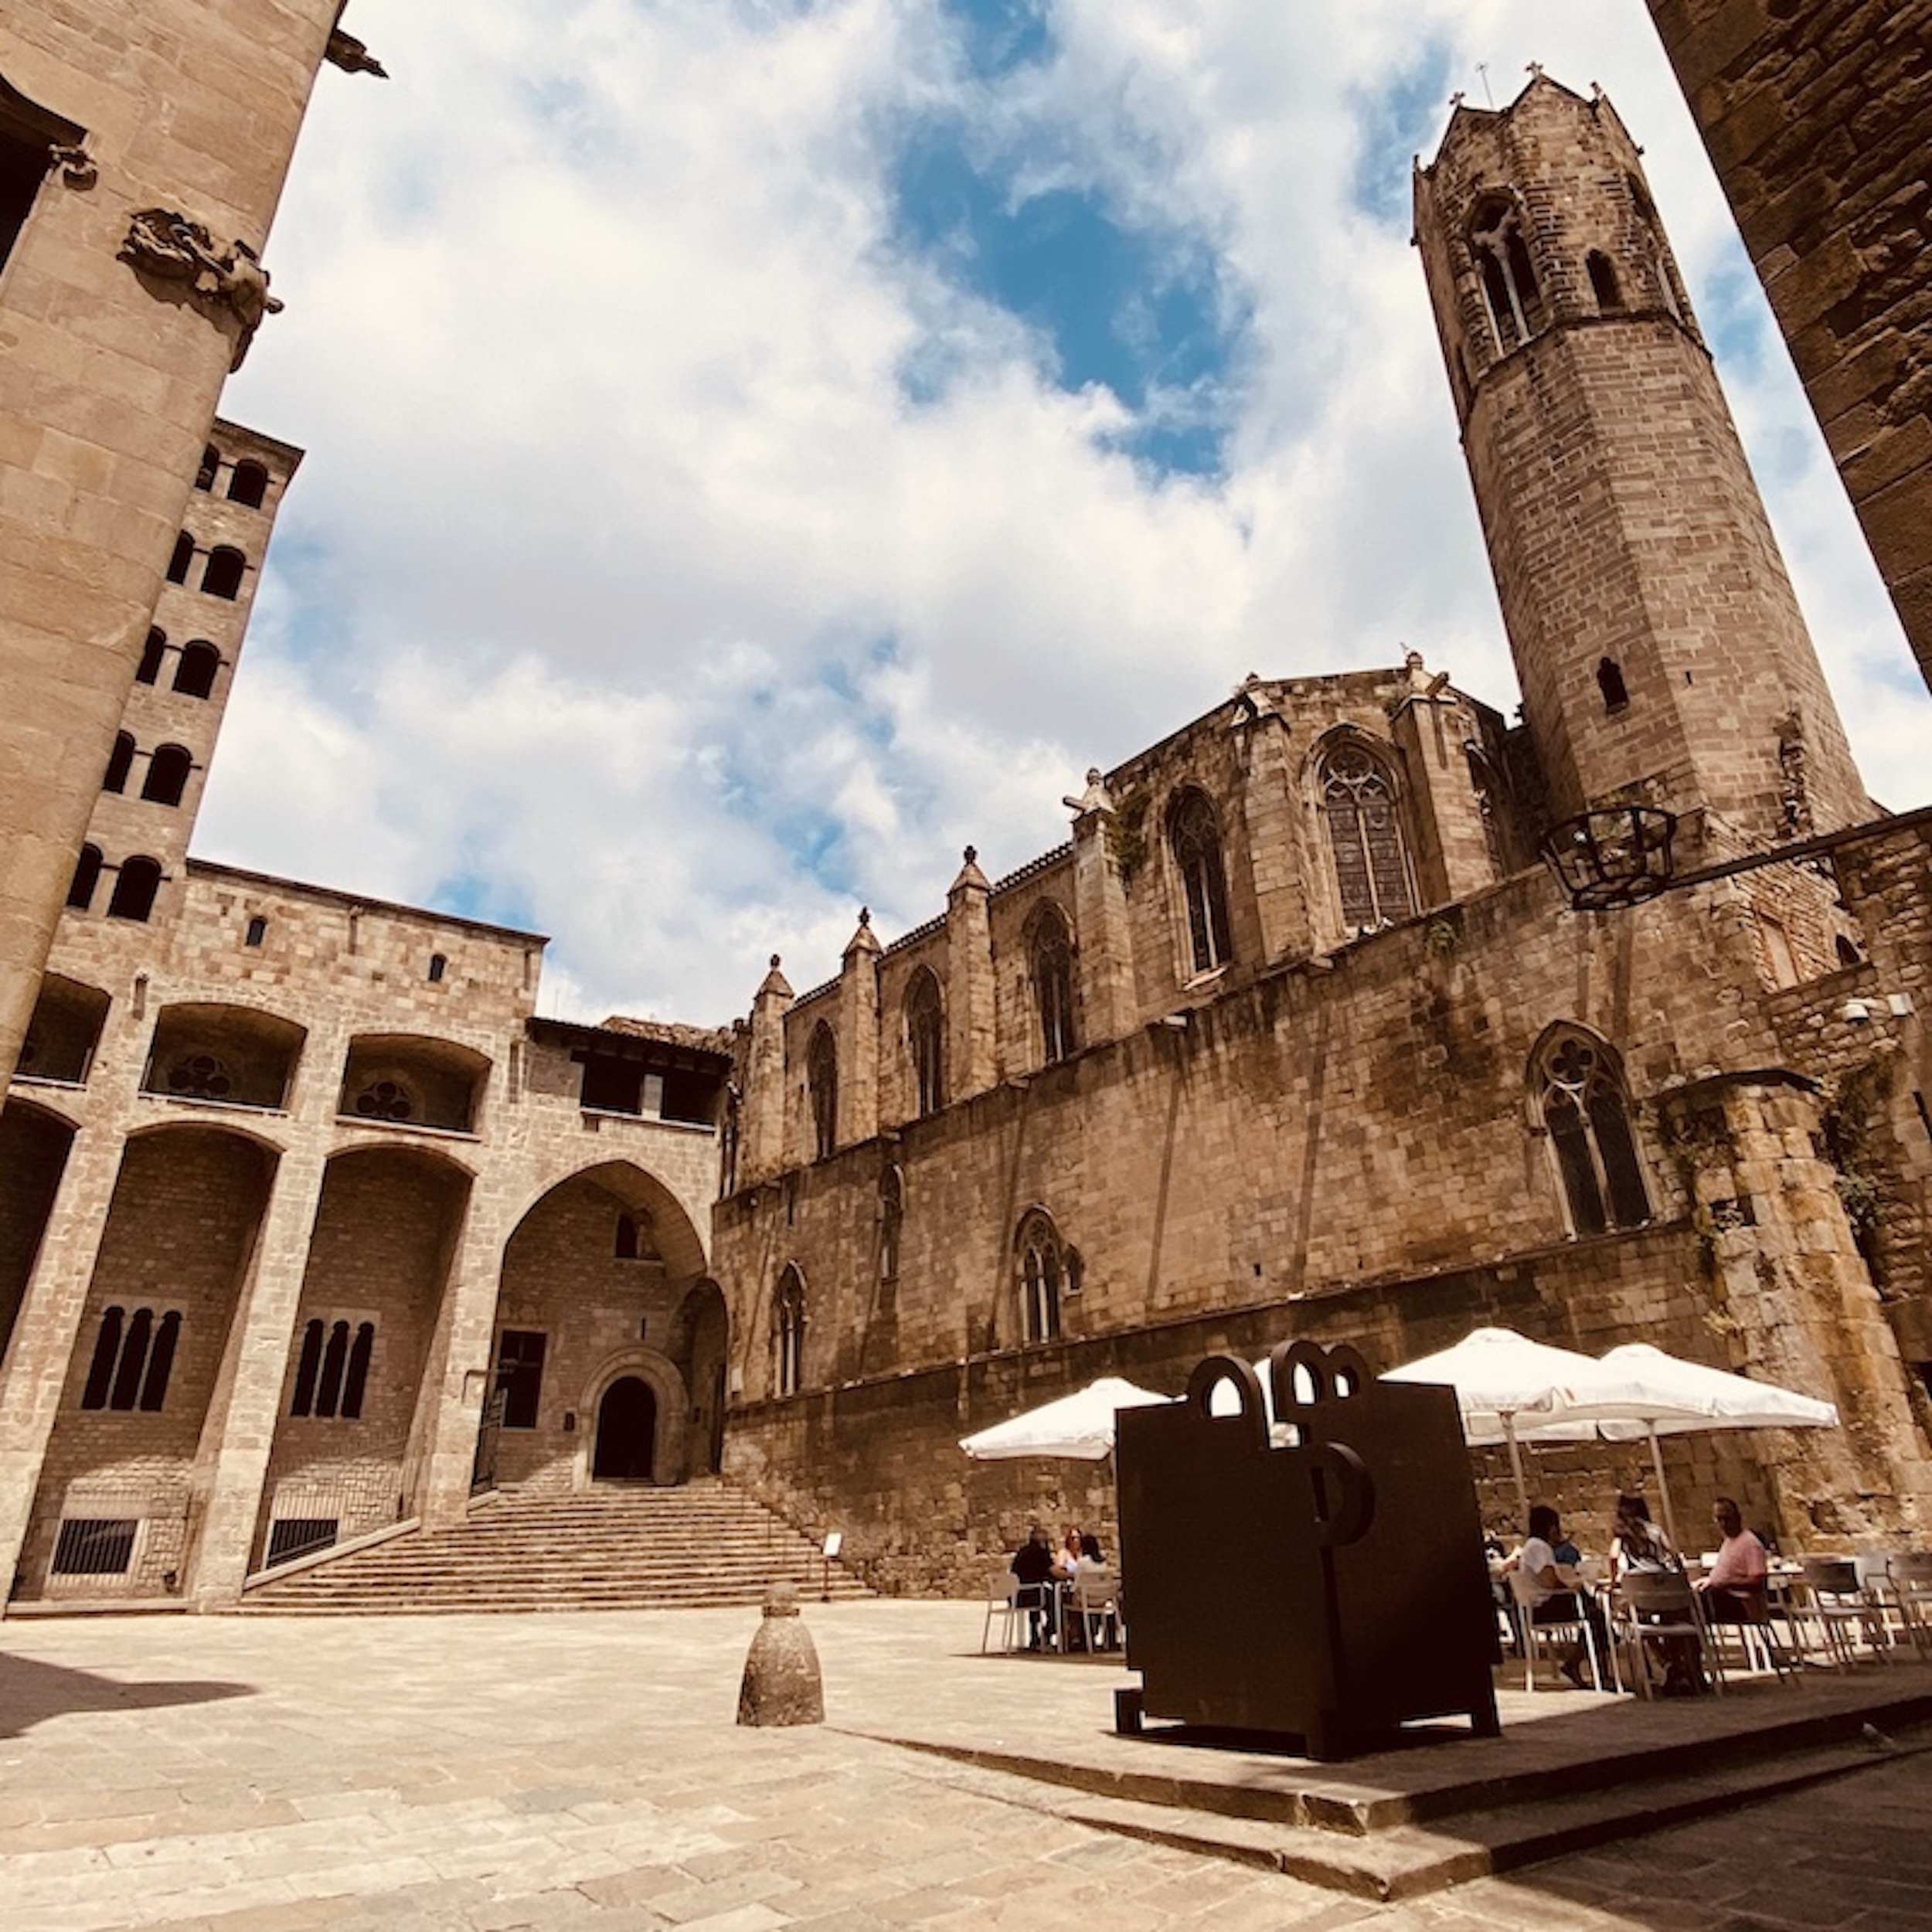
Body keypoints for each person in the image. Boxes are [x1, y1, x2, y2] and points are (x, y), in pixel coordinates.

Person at [1610, 1492, 1704, 1695]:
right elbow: (1674, 1557)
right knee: (1678, 1617)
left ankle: (1665, 1661)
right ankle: (1688, 1669)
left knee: (1636, 1620)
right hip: (1669, 1592)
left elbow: (1613, 1557)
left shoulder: (1621, 1535)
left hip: (1641, 1595)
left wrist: (1612, 1581)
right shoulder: (1657, 1531)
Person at [1506, 1504, 1604, 1689]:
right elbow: (1549, 1581)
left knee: (1596, 1616)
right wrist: (1570, 1586)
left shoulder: (1531, 1547)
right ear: (1551, 1527)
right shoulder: (1540, 1548)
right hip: (1547, 1607)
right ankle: (1579, 1663)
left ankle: (1582, 1660)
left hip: (1538, 1607)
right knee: (1596, 1617)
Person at [1695, 1496, 1770, 1625]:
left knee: (1694, 1605)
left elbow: (1758, 1582)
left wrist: (1725, 1584)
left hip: (1741, 1603)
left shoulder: (1750, 1544)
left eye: (1727, 1519)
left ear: (1738, 1517)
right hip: (1723, 1595)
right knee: (1683, 1602)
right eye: (1719, 1519)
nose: (1723, 1524)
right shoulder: (1729, 1541)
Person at [1010, 1525, 1058, 1650]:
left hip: (1018, 1596)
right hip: (1035, 1594)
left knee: (1042, 1596)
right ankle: (1047, 1633)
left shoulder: (1021, 1553)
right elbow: (1053, 1572)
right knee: (1057, 1603)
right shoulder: (1041, 1553)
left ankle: (1035, 1637)